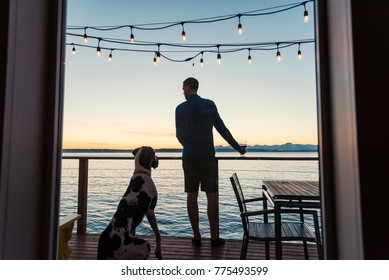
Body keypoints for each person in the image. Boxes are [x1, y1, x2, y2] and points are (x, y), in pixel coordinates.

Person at [175, 77, 246, 248]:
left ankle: (197, 237)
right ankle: (214, 238)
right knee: (211, 196)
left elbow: (179, 135)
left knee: (192, 195)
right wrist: (237, 148)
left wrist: (190, 146)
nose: (182, 91)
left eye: (183, 88)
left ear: (188, 87)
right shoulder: (209, 104)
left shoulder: (180, 108)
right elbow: (222, 128)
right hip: (207, 156)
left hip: (190, 157)